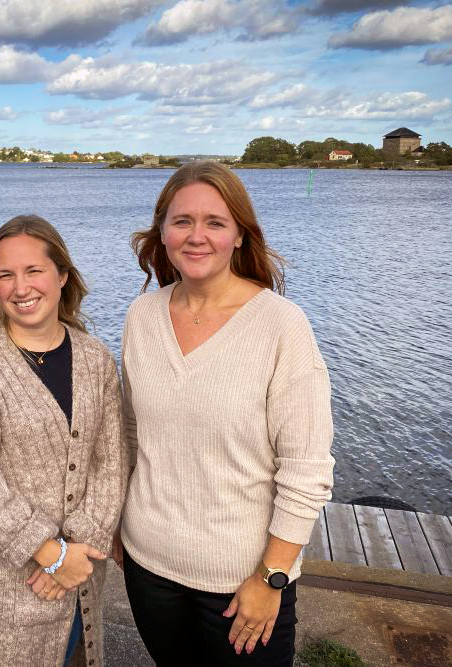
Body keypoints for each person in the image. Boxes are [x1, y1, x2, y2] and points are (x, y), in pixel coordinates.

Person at [113, 162, 335, 666]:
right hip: (149, 566)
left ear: (239, 235)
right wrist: (119, 523)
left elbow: (306, 469)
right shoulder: (142, 315)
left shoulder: (281, 325)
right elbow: (131, 433)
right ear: (162, 232)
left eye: (215, 222)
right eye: (182, 221)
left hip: (242, 581)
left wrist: (271, 577)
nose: (197, 236)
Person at [0, 215, 127, 667]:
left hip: (82, 577)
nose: (20, 287)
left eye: (34, 271)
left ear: (62, 275)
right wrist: (48, 553)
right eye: (5, 275)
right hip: (6, 588)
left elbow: (112, 462)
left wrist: (76, 551)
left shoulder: (96, 358)